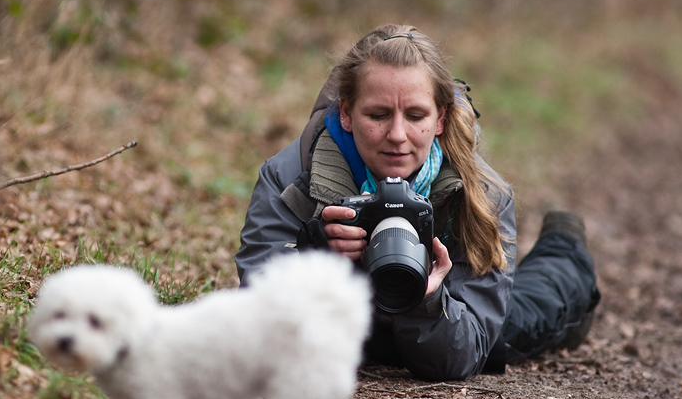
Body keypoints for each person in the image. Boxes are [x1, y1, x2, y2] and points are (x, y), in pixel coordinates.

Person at [235, 24, 601, 381]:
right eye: (377, 115)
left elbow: (465, 349)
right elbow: (261, 319)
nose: (397, 136)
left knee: (528, 312)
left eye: (415, 116)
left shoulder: (481, 193)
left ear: (440, 118)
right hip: (354, 330)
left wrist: (427, 298)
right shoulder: (290, 179)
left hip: (444, 312)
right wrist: (315, 256)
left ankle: (563, 249)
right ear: (345, 113)